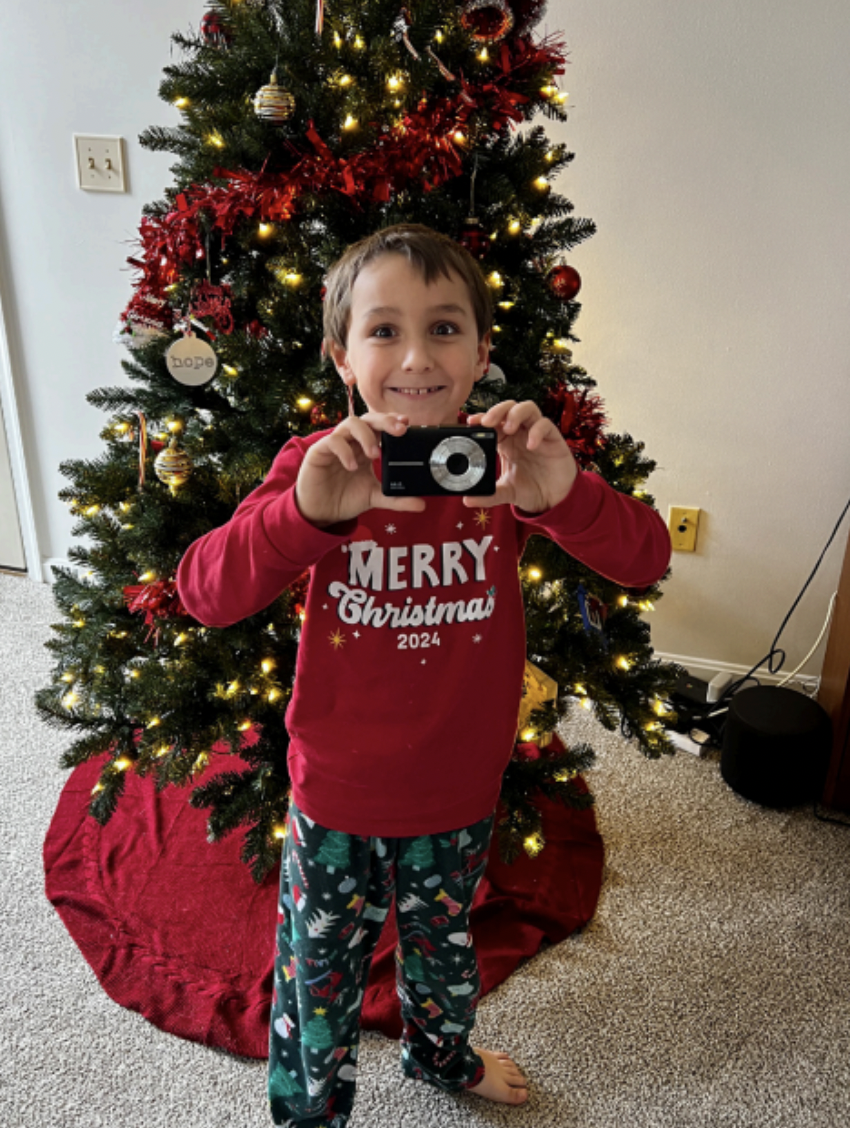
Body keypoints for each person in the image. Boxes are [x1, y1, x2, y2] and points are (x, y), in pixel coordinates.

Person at [176, 223, 672, 1127]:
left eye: (445, 329)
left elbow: (643, 559)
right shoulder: (318, 469)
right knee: (316, 977)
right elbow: (204, 591)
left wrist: (564, 495)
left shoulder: (505, 469)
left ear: (484, 352)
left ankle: (438, 1054)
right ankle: (308, 1109)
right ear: (341, 356)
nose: (415, 356)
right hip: (338, 794)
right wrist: (303, 517)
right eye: (383, 331)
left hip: (458, 789)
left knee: (445, 950)